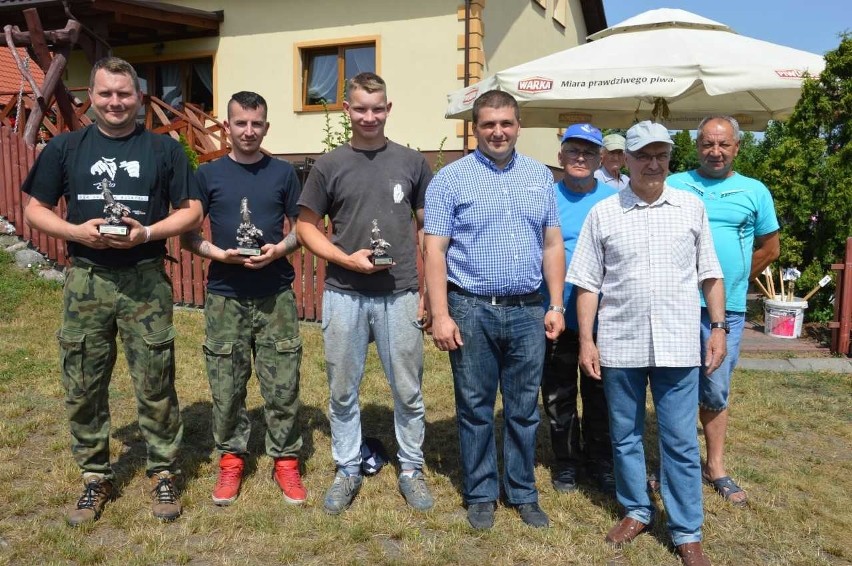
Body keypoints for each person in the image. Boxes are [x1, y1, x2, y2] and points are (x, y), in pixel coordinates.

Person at [21, 56, 203, 525]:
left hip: (145, 277)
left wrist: (147, 233)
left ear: (138, 98)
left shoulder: (163, 151)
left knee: (155, 381)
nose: (115, 102)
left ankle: (162, 470)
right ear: (91, 98)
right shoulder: (65, 148)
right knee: (82, 382)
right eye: (106, 94)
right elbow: (34, 209)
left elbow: (192, 210)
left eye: (124, 94)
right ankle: (94, 475)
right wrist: (76, 233)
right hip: (88, 279)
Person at [567, 121, 725, 566]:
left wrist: (717, 328)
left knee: (678, 440)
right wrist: (587, 342)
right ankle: (637, 509)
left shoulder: (690, 208)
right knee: (625, 436)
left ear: (670, 158)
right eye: (643, 155)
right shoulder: (604, 212)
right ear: (627, 160)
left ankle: (686, 529)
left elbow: (710, 273)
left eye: (661, 155)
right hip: (621, 341)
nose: (652, 163)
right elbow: (588, 285)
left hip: (677, 343)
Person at [424, 90, 565, 530]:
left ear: (518, 125)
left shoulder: (540, 177)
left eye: (505, 123)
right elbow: (434, 251)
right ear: (476, 127)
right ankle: (481, 492)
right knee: (475, 406)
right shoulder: (450, 179)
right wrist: (441, 314)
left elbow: (552, 243)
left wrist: (556, 304)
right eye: (488, 124)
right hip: (470, 308)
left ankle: (522, 491)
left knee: (524, 408)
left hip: (527, 310)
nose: (497, 131)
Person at [295, 72, 434, 515]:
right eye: (360, 108)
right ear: (347, 110)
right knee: (341, 389)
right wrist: (342, 258)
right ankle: (347, 467)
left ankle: (412, 468)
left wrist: (429, 292)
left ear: (388, 109)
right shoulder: (329, 165)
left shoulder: (413, 163)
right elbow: (304, 227)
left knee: (408, 390)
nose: (369, 116)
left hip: (401, 292)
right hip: (345, 292)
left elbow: (430, 230)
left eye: (377, 108)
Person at [180, 91, 306, 507]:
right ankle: (231, 458)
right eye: (240, 123)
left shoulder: (284, 173)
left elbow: (301, 229)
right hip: (225, 296)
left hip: (275, 295)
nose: (248, 131)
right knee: (226, 386)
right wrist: (222, 255)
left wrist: (278, 250)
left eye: (256, 124)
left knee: (282, 385)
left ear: (266, 127)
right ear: (228, 126)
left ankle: (285, 460)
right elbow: (189, 237)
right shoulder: (208, 175)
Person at [667, 115, 780, 507]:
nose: (715, 152)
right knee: (676, 385)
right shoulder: (675, 183)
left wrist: (727, 279)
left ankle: (715, 467)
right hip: (678, 305)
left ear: (736, 147)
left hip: (726, 311)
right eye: (707, 144)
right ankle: (674, 464)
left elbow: (770, 248)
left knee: (715, 389)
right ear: (696, 146)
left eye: (724, 145)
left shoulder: (754, 191)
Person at [541, 123, 617, 495]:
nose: (581, 157)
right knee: (558, 395)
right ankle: (566, 463)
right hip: (555, 316)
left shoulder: (615, 198)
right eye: (573, 150)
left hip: (604, 320)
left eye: (589, 152)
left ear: (600, 158)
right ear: (561, 156)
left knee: (601, 395)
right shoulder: (546, 197)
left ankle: (600, 462)